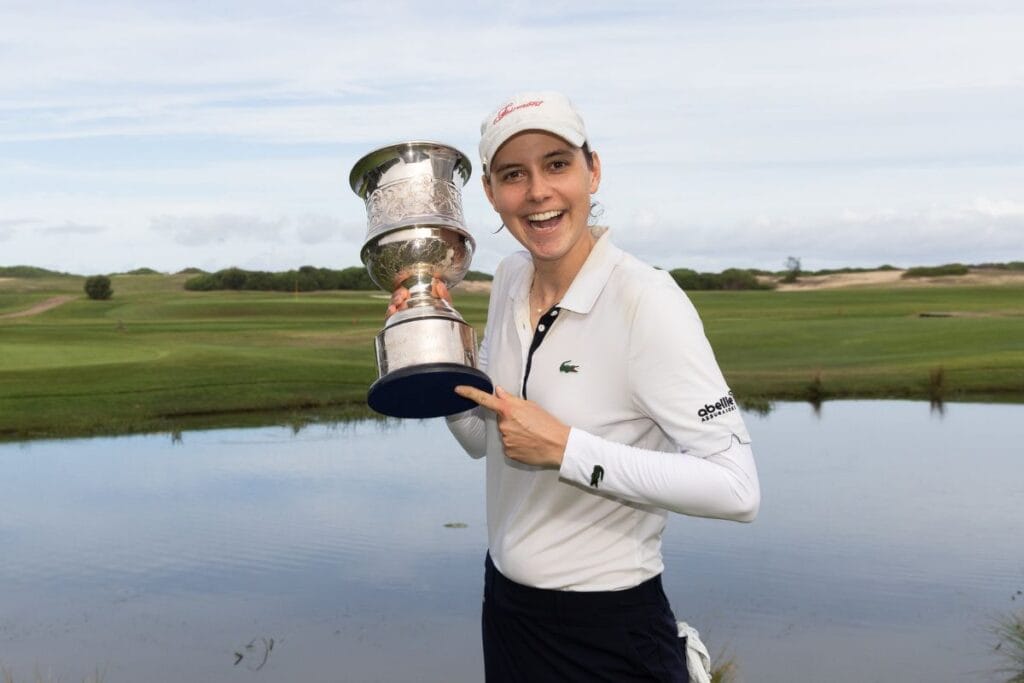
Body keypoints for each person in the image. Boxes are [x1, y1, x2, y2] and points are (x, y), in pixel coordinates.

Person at [387, 91, 760, 683]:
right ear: (490, 192)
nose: (537, 191)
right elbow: (481, 439)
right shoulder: (510, 277)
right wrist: (440, 346)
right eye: (514, 174)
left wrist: (567, 449)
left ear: (593, 171)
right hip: (508, 610)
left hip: (608, 629)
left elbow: (737, 489)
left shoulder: (646, 300)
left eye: (557, 164)